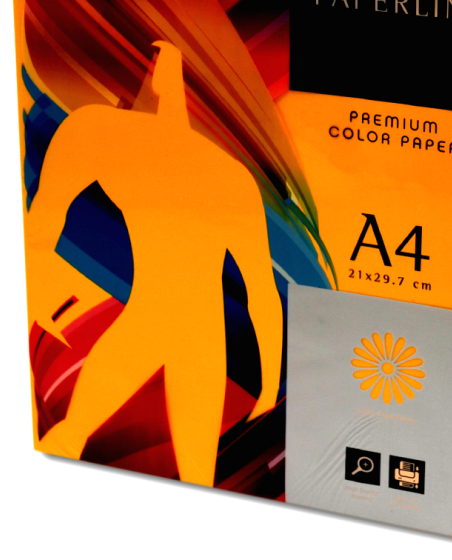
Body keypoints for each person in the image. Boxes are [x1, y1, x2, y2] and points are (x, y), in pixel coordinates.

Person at [31, 41, 283, 486]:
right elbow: (45, 216)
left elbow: (260, 291)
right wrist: (268, 382)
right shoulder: (107, 134)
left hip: (183, 335)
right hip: (166, 329)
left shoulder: (225, 176)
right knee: (74, 440)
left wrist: (269, 382)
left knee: (193, 475)